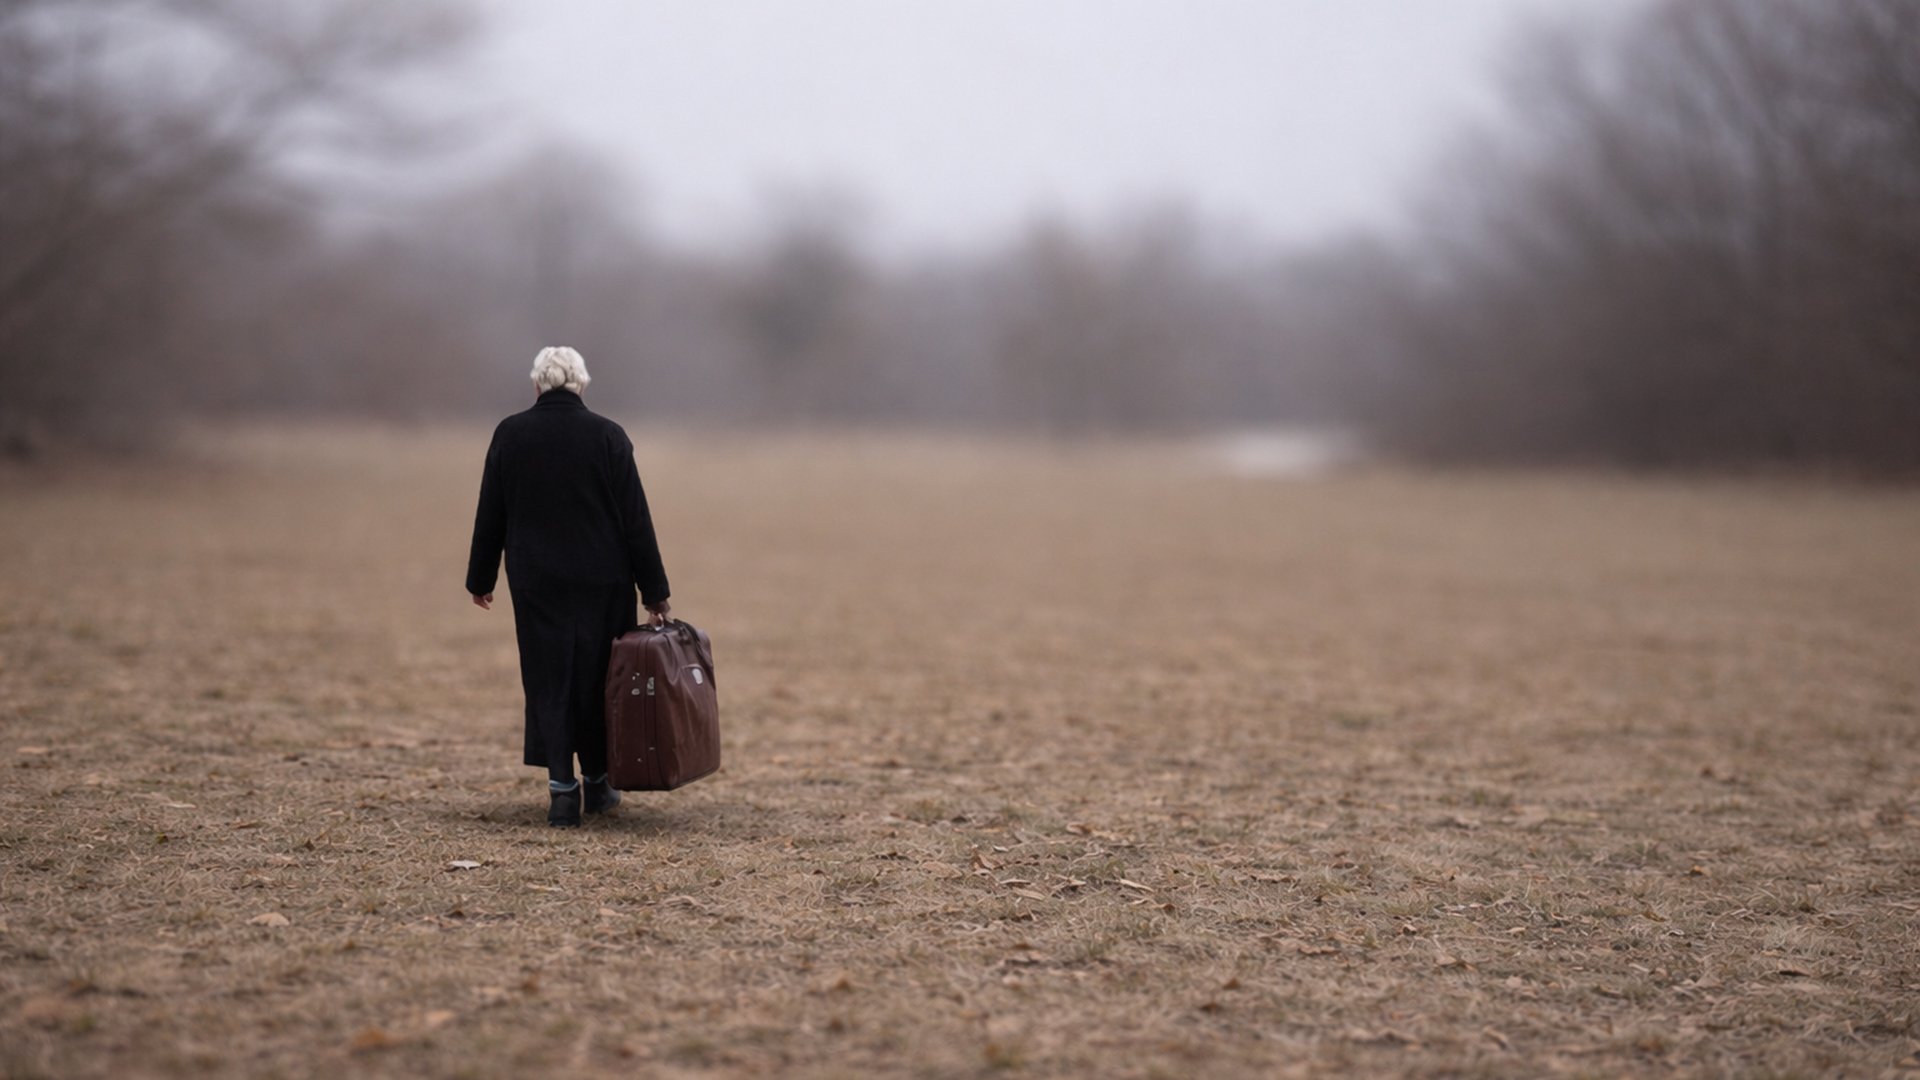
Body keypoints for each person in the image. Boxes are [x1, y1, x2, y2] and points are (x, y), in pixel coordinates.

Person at [465, 346, 672, 827]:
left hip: (537, 581)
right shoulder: (608, 436)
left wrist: (481, 578)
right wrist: (655, 591)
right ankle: (599, 785)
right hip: (604, 580)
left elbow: (490, 511)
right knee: (602, 680)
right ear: (581, 383)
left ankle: (562, 791)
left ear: (537, 385)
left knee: (548, 678)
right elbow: (635, 521)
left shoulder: (510, 434)